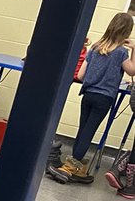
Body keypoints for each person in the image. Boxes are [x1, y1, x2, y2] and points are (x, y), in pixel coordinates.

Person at [48, 13, 135, 184]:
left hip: (88, 94)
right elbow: (132, 71)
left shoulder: (95, 47)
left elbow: (80, 75)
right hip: (104, 98)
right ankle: (70, 168)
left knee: (82, 130)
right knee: (89, 132)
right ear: (127, 32)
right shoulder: (121, 52)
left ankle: (75, 162)